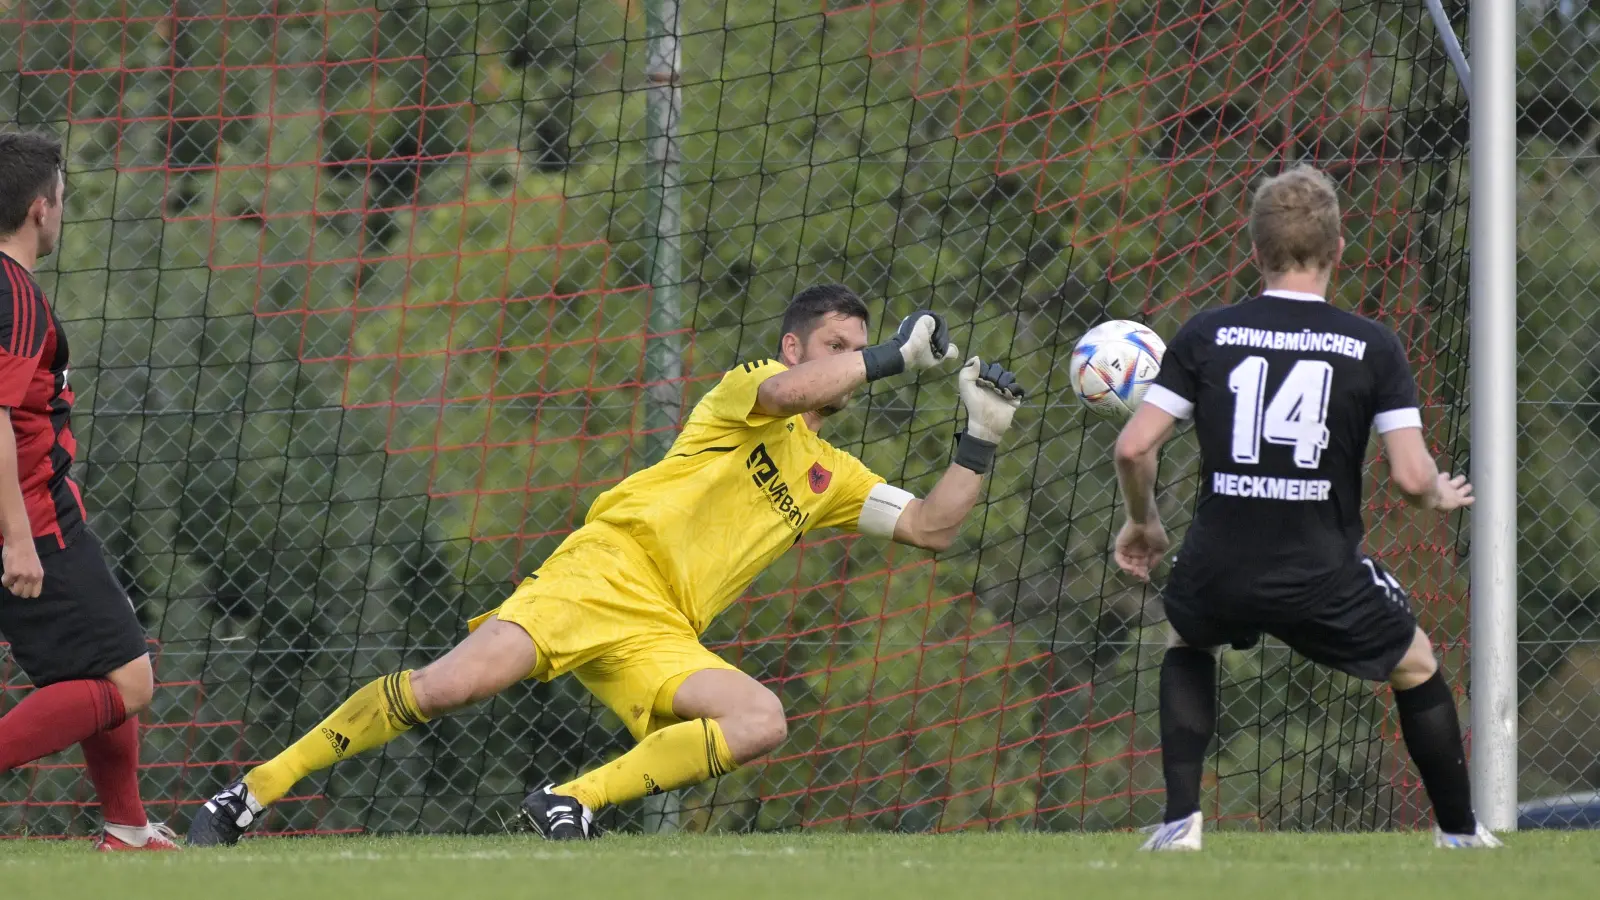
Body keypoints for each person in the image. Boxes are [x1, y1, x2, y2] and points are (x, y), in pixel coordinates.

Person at [188, 284, 1025, 844]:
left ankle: (569, 803)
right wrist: (891, 358)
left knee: (760, 719)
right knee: (448, 687)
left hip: (662, 630)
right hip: (602, 572)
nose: (851, 358)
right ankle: (254, 791)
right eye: (837, 345)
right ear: (793, 347)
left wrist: (980, 435)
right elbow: (784, 398)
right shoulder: (752, 387)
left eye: (860, 347)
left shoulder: (829, 474)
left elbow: (929, 526)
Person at [1111, 164, 1499, 850]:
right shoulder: (1371, 345)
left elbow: (1134, 448)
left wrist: (1145, 521)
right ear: (1338, 248)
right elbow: (1411, 479)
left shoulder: (1207, 334)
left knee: (1188, 637)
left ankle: (1180, 824)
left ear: (1254, 249)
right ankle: (1462, 836)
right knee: (1416, 661)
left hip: (1219, 564)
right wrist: (1438, 491)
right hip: (1320, 573)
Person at [0, 131, 177, 851]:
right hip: (31, 518)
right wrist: (18, 537)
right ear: (42, 210)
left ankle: (128, 830)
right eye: (64, 200)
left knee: (106, 659)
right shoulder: (17, 297)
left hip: (44, 509)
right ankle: (127, 829)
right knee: (130, 683)